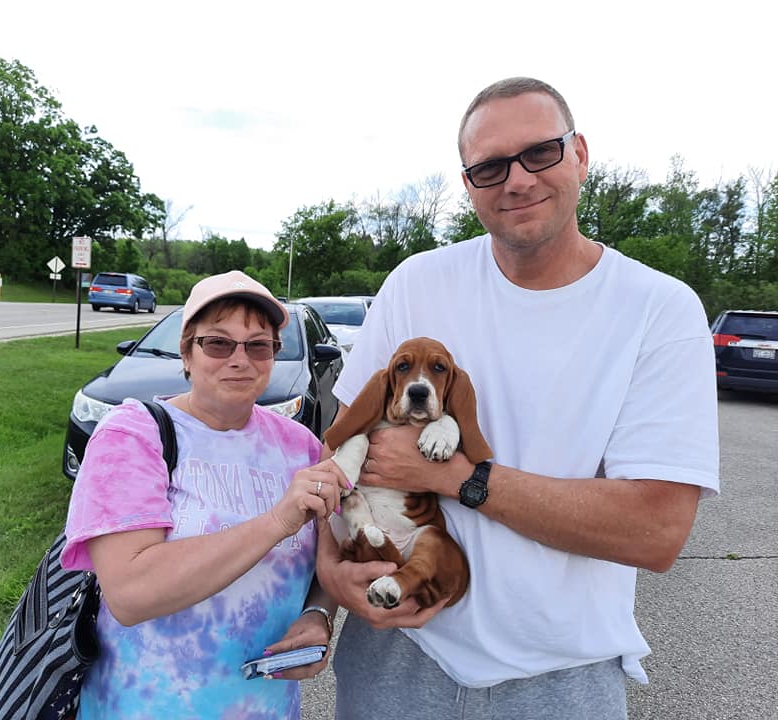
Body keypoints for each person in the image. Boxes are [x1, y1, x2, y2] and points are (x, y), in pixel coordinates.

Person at [316, 77, 720, 720]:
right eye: (490, 166)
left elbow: (655, 530)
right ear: (469, 182)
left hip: (559, 677)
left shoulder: (659, 311)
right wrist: (326, 583)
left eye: (541, 153)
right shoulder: (416, 283)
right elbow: (336, 460)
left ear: (580, 154)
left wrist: (461, 479)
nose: (518, 180)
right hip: (398, 658)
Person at [60, 270, 346, 719]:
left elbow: (329, 560)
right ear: (186, 352)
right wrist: (276, 522)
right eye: (218, 343)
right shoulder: (134, 436)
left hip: (266, 708)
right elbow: (131, 593)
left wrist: (318, 615)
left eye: (258, 345)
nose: (240, 359)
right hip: (147, 706)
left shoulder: (301, 447)